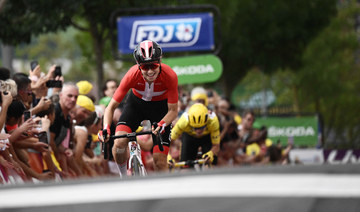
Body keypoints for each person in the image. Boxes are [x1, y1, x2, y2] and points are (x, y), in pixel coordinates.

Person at [99, 40, 178, 177]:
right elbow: (110, 107)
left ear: (159, 62)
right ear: (138, 66)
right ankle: (123, 176)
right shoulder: (132, 75)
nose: (150, 71)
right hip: (136, 106)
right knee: (118, 142)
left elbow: (173, 111)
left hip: (160, 110)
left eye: (153, 65)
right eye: (145, 67)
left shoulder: (170, 75)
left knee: (159, 162)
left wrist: (162, 124)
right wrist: (106, 128)